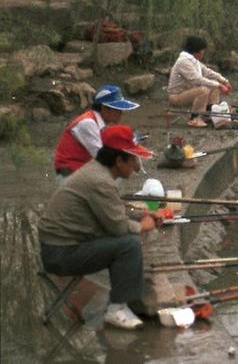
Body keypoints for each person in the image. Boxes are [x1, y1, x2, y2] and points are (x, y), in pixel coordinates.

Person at [39, 125, 161, 330]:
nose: (137, 167)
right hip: (60, 253)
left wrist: (143, 214)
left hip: (62, 246)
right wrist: (143, 226)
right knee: (129, 244)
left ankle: (126, 303)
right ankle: (117, 309)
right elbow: (119, 227)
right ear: (119, 160)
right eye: (133, 160)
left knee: (125, 241)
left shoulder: (97, 171)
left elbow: (112, 208)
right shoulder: (100, 181)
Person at [53, 84, 140, 183]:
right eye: (117, 109)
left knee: (119, 169)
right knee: (116, 170)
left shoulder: (98, 122)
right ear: (104, 108)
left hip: (78, 173)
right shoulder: (88, 123)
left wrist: (132, 157)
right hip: (70, 176)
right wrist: (130, 159)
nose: (121, 112)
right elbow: (103, 158)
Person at [168, 36, 231, 128]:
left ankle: (209, 113)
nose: (203, 53)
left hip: (188, 92)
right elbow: (197, 79)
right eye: (203, 51)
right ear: (197, 51)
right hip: (177, 96)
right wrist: (220, 85)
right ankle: (195, 118)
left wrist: (224, 80)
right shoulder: (183, 62)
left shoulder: (193, 61)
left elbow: (207, 72)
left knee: (213, 85)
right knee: (203, 90)